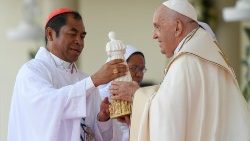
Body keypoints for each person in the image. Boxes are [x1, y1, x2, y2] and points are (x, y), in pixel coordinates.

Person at [110, 0, 250, 141]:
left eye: (157, 27)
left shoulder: (186, 62)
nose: (154, 35)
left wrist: (136, 94)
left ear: (177, 27)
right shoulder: (205, 54)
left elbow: (168, 118)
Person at [8, 8, 128, 141]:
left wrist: (103, 118)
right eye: (72, 34)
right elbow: (47, 106)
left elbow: (95, 134)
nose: (79, 42)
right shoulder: (32, 71)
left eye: (82, 36)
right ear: (50, 34)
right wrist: (94, 80)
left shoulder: (83, 79)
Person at [98, 45, 146, 141]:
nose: (139, 74)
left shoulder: (142, 97)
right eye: (133, 68)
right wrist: (103, 118)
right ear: (119, 68)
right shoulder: (99, 97)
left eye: (142, 69)